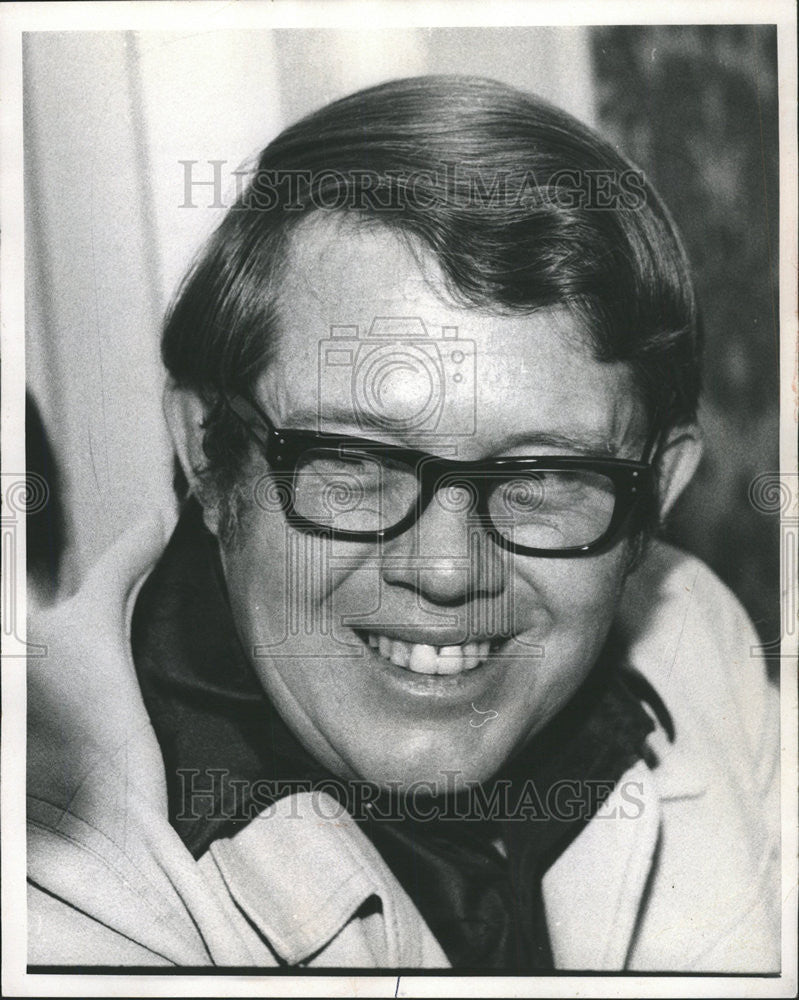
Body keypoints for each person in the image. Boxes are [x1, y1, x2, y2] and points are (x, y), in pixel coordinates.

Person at [27, 75, 779, 971]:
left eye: (543, 474)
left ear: (656, 491)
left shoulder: (695, 637)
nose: (448, 569)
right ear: (206, 453)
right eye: (356, 462)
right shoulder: (52, 878)